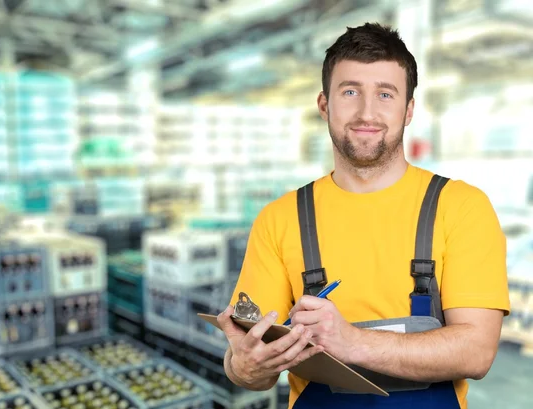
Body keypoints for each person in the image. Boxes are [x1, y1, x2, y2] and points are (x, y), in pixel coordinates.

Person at [216, 22, 510, 409]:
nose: (366, 112)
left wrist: (351, 341)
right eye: (350, 91)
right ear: (325, 105)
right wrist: (244, 366)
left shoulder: (461, 207)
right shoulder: (280, 218)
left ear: (408, 111)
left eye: (385, 94)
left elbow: (476, 352)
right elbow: (249, 365)